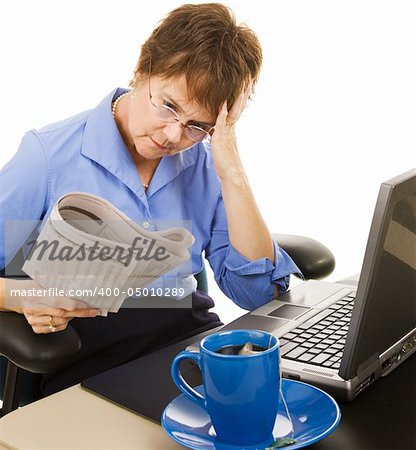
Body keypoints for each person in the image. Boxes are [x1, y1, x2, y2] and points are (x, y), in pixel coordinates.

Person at [0, 3, 299, 395]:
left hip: (188, 349)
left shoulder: (204, 165)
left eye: (197, 125)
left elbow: (258, 296)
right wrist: (25, 298)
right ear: (143, 69)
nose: (174, 136)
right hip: (88, 361)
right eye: (168, 106)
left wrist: (233, 173)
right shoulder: (48, 156)